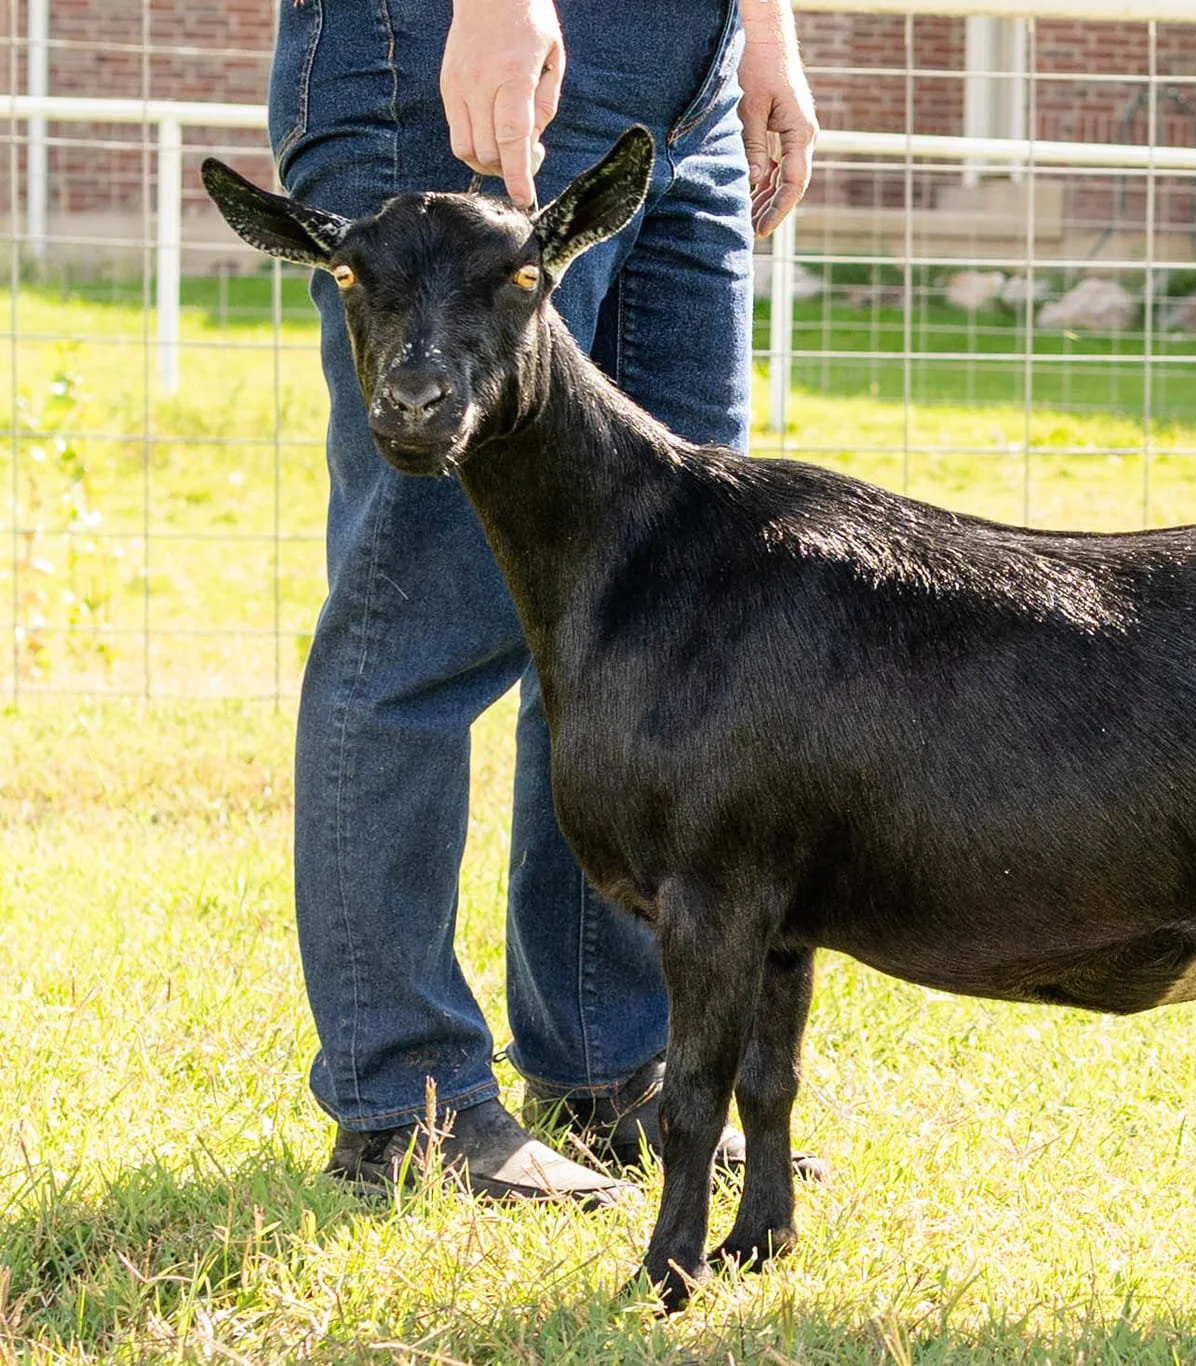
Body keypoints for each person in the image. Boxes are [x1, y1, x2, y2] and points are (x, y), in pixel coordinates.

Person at [268, 0, 816, 1202]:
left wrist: (759, 33)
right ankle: (403, 1107)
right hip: (473, 47)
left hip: (686, 86)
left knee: (643, 615)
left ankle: (609, 1065)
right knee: (422, 616)